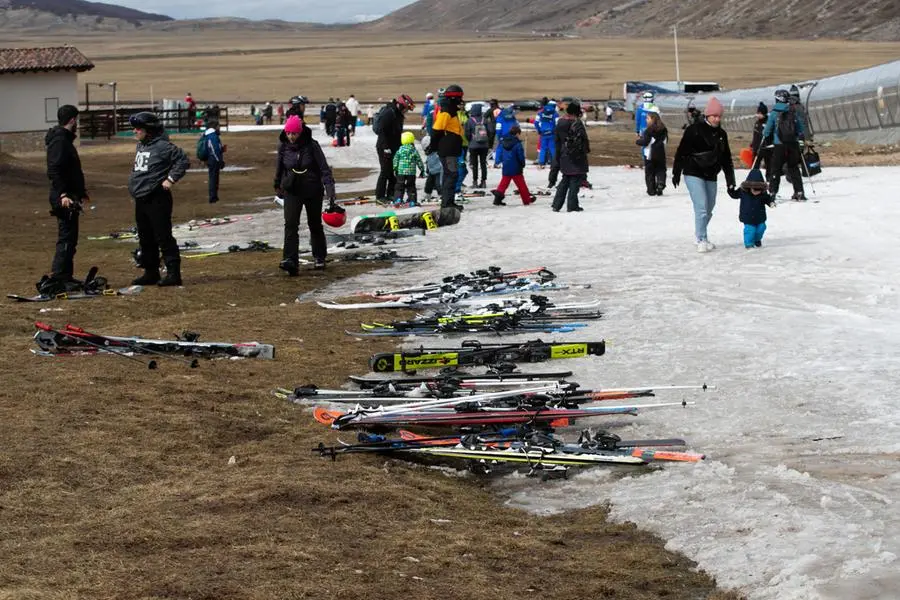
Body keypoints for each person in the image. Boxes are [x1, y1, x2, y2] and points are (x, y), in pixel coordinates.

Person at [127, 112, 189, 286]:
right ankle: (151, 272)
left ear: (149, 130)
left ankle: (173, 273)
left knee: (163, 236)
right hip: (141, 198)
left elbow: (183, 160)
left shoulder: (163, 146)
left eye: (138, 128)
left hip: (157, 198)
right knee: (145, 237)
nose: (134, 131)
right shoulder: (141, 146)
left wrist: (171, 179)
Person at [672, 96, 736, 253]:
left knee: (709, 208)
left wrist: (731, 181)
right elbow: (682, 151)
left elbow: (726, 158)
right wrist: (676, 172)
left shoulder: (721, 134)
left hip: (711, 174)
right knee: (701, 207)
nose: (717, 119)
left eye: (719, 116)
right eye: (714, 116)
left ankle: (699, 234)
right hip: (693, 171)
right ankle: (701, 238)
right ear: (707, 115)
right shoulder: (694, 130)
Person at [274, 115, 336, 274]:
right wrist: (278, 186)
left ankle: (319, 257)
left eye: (294, 133)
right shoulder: (283, 146)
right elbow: (279, 168)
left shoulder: (312, 146)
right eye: (288, 133)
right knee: (290, 224)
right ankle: (290, 260)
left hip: (312, 189)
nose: (291, 136)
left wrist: (330, 191)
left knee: (314, 224)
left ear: (300, 132)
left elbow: (324, 169)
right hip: (292, 190)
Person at [45, 104, 88, 289]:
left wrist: (80, 192)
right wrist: (63, 194)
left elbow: (70, 170)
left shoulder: (64, 140)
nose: (77, 123)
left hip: (70, 195)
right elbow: (54, 169)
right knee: (66, 237)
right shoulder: (60, 141)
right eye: (77, 119)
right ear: (72, 120)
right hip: (64, 197)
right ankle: (59, 277)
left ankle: (66, 275)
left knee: (71, 239)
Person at [763, 89, 806, 201]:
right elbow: (800, 129)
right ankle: (799, 192)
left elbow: (767, 131)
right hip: (793, 144)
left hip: (779, 145)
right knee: (794, 168)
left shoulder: (774, 113)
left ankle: (772, 192)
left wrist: (766, 134)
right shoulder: (793, 111)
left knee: (775, 169)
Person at [427, 84, 465, 209]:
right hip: (448, 149)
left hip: (451, 148)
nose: (461, 100)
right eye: (460, 97)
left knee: (451, 175)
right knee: (451, 175)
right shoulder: (447, 111)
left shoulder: (451, 110)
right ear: (454, 98)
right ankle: (447, 204)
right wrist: (432, 146)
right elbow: (437, 130)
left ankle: (448, 202)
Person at [551, 101, 590, 213]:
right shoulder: (577, 124)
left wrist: (558, 156)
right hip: (576, 156)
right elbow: (583, 141)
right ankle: (572, 206)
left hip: (563, 154)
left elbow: (557, 141)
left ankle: (556, 205)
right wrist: (585, 151)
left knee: (565, 179)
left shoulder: (560, 122)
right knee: (574, 181)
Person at [375, 94, 415, 201]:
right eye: (406, 109)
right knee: (385, 171)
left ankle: (391, 194)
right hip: (384, 147)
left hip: (394, 147)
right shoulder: (389, 112)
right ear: (401, 105)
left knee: (393, 171)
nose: (406, 111)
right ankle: (380, 196)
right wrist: (385, 147)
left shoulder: (398, 114)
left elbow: (397, 133)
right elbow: (381, 130)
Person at [727, 168, 774, 249]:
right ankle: (749, 244)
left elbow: (767, 199)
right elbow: (734, 195)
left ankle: (757, 239)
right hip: (747, 216)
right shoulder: (743, 191)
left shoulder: (763, 193)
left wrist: (771, 202)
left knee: (762, 228)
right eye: (755, 189)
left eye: (759, 190)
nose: (756, 192)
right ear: (750, 186)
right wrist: (731, 189)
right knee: (750, 230)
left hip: (760, 216)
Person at [491, 124, 533, 206]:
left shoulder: (502, 141)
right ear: (517, 133)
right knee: (521, 185)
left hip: (506, 165)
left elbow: (499, 152)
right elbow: (520, 156)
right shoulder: (517, 144)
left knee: (504, 183)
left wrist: (498, 161)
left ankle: (497, 199)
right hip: (516, 166)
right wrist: (522, 164)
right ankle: (526, 200)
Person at [636, 106, 667, 196]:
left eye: (647, 118)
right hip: (661, 153)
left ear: (653, 119)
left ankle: (651, 190)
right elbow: (665, 140)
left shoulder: (648, 130)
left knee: (650, 172)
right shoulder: (664, 129)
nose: (646, 120)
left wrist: (638, 141)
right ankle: (660, 183)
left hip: (650, 154)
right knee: (661, 170)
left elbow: (646, 142)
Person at [393, 131, 425, 206]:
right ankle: (412, 200)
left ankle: (398, 199)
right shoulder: (413, 150)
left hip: (401, 172)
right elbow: (419, 160)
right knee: (411, 186)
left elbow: (395, 160)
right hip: (411, 173)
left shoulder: (400, 150)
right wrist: (422, 169)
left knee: (399, 186)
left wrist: (395, 168)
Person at [465, 103, 490, 189]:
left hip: (473, 145)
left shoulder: (469, 121)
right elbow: (490, 131)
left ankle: (475, 182)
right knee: (483, 164)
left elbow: (467, 134)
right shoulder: (485, 120)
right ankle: (483, 182)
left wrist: (470, 140)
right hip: (484, 146)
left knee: (474, 164)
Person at [203, 120, 225, 203]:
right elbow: (214, 150)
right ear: (215, 127)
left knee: (214, 178)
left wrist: (221, 150)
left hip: (212, 159)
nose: (219, 128)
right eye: (218, 126)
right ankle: (213, 197)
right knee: (213, 178)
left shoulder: (209, 135)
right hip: (214, 160)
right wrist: (219, 161)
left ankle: (214, 196)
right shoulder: (213, 136)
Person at [534, 102, 558, 168]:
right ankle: (554, 163)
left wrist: (539, 130)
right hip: (552, 133)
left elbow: (536, 122)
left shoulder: (540, 113)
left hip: (543, 133)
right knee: (552, 148)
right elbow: (557, 124)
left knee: (543, 148)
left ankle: (541, 163)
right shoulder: (555, 113)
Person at [750, 102, 771, 177]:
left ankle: (769, 178)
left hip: (766, 147)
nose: (758, 115)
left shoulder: (768, 123)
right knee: (755, 163)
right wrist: (752, 145)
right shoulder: (757, 123)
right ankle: (754, 177)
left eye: (760, 113)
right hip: (757, 148)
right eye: (758, 113)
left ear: (764, 114)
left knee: (768, 164)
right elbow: (755, 136)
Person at [421, 135, 442, 201]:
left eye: (427, 149)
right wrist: (427, 169)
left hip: (439, 171)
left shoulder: (437, 151)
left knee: (438, 184)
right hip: (431, 171)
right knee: (428, 184)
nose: (426, 151)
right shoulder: (429, 154)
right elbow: (428, 162)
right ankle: (427, 195)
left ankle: (441, 195)